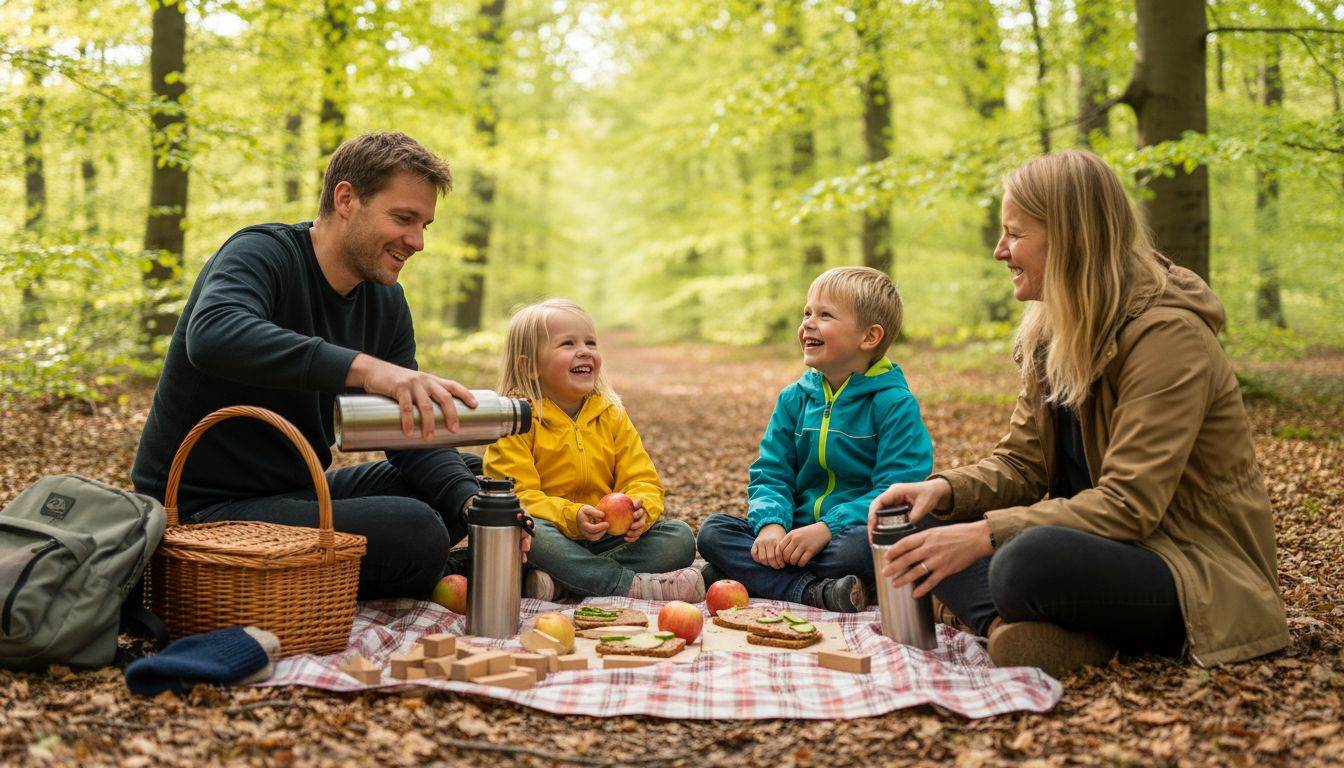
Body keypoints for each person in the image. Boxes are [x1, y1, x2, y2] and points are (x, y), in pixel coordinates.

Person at [869, 149, 1290, 675]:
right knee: (917, 520)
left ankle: (1051, 626)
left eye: (1015, 234)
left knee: (1024, 561)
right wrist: (946, 490)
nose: (1001, 251)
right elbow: (1022, 467)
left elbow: (1130, 505)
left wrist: (983, 535)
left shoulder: (1168, 336)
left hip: (1188, 567)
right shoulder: (1054, 329)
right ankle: (1014, 633)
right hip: (1095, 548)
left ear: (1070, 237)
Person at [132, 131, 501, 602]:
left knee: (473, 482)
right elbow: (213, 335)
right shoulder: (261, 254)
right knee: (415, 530)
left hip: (295, 494)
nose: (417, 241)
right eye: (404, 219)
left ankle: (392, 566)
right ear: (346, 199)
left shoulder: (385, 302)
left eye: (424, 225)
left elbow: (409, 434)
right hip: (199, 512)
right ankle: (422, 566)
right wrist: (367, 370)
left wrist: (469, 503)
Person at [696, 267, 934, 612]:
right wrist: (772, 525)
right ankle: (815, 592)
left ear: (869, 337)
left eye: (825, 315)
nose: (808, 322)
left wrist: (827, 527)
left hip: (846, 536)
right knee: (713, 533)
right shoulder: (794, 399)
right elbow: (771, 473)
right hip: (792, 533)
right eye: (807, 312)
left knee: (860, 550)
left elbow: (896, 493)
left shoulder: (894, 404)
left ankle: (761, 577)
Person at [482, 299, 703, 602]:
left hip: (607, 539)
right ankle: (623, 585)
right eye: (568, 344)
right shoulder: (515, 420)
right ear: (529, 366)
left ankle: (565, 582)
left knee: (679, 538)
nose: (584, 351)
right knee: (530, 534)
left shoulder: (610, 414)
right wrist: (571, 516)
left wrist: (642, 509)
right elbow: (518, 496)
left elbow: (643, 479)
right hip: (552, 535)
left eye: (590, 342)